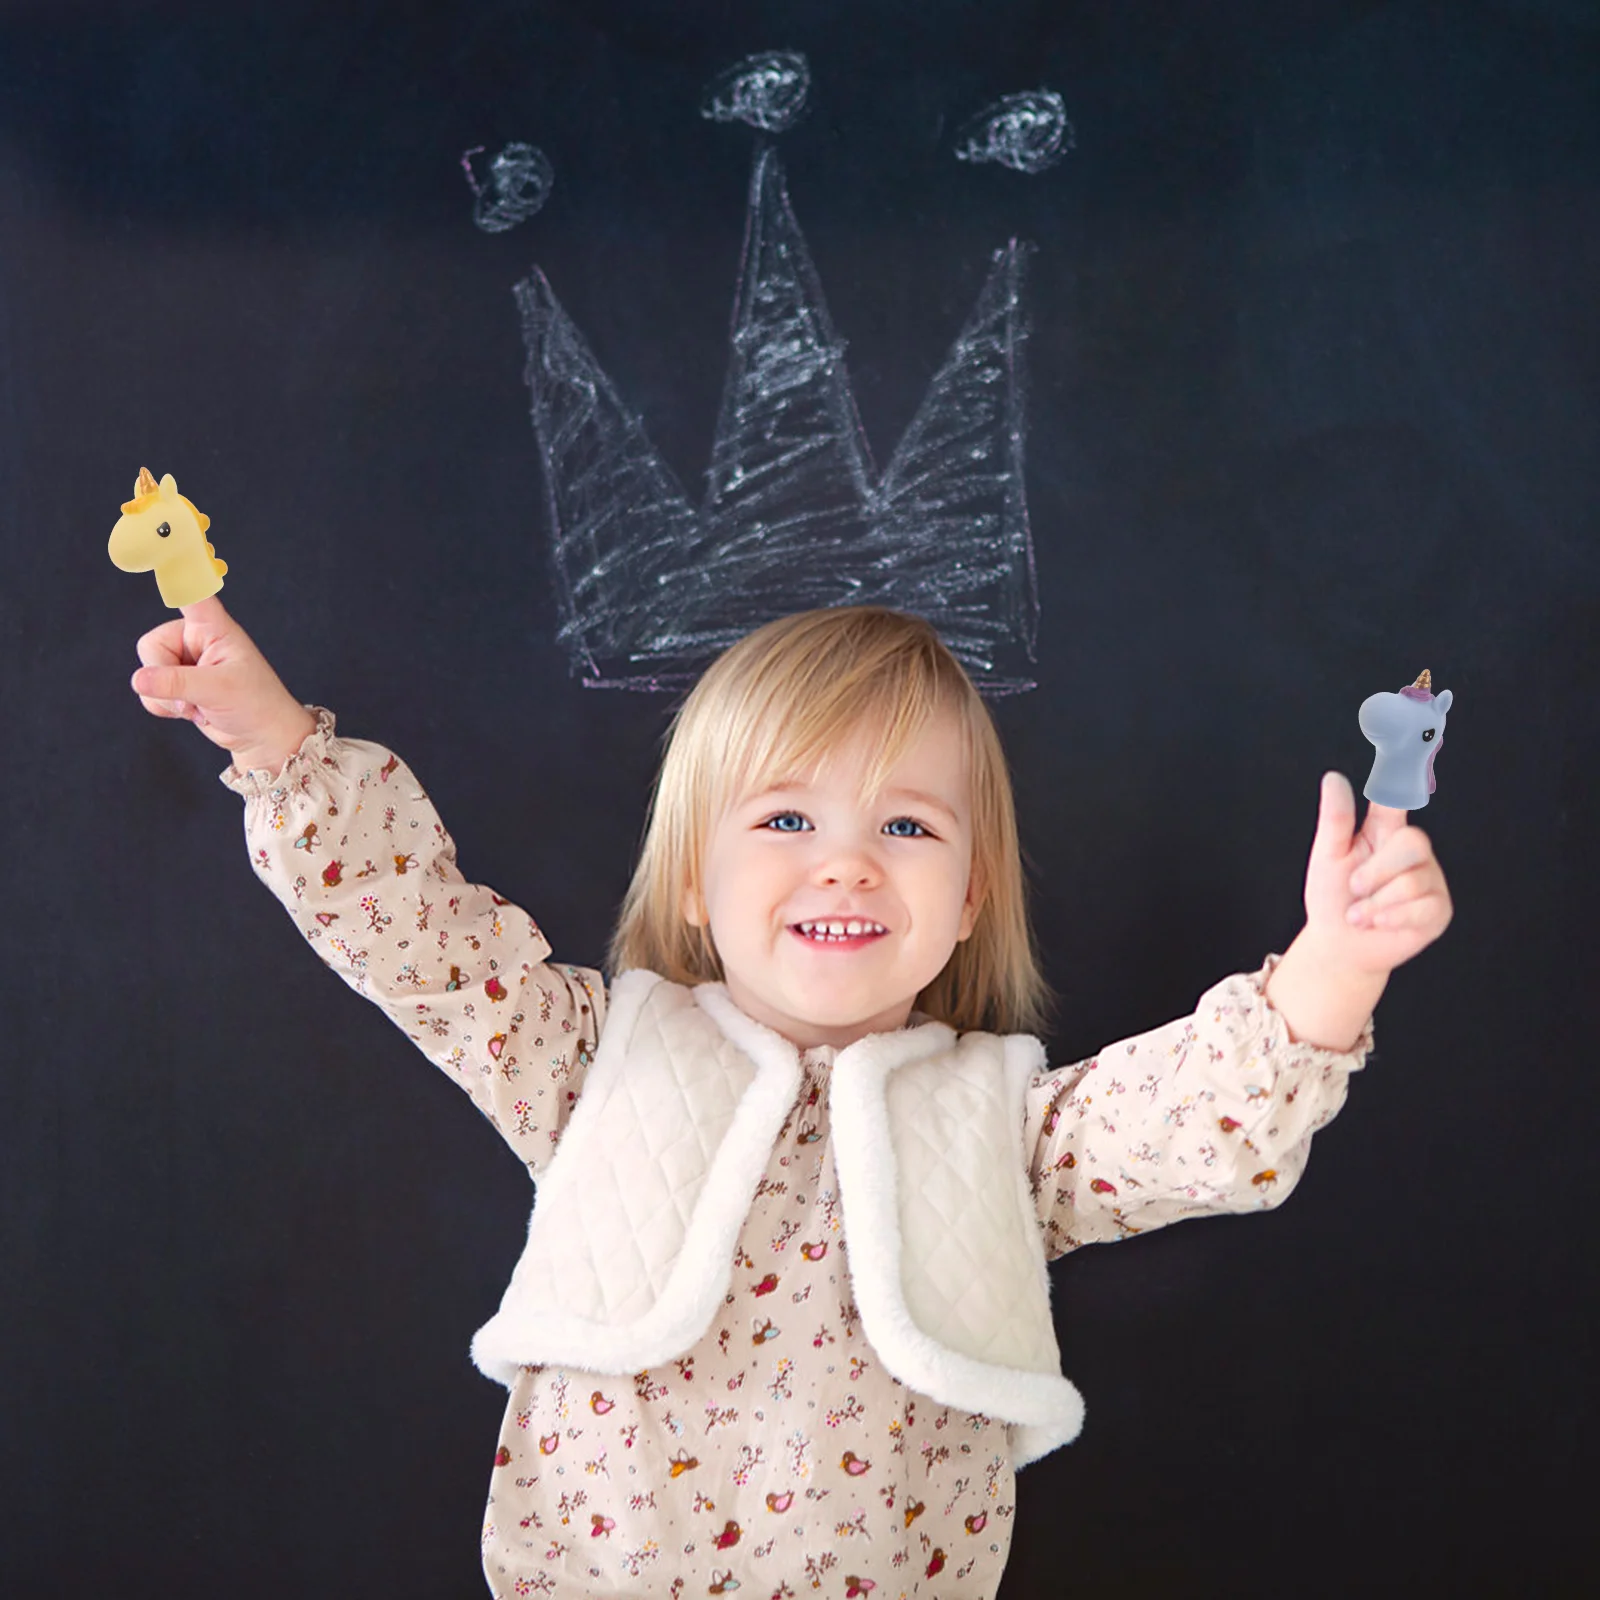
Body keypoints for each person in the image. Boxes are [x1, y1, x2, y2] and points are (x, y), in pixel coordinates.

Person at [129, 597, 1452, 1598]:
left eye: (908, 828)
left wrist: (1337, 961)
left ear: (971, 898)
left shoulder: (1001, 1122)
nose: (848, 868)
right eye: (784, 821)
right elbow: (416, 934)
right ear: (694, 880)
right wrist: (280, 747)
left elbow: (1198, 1123)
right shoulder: (597, 1058)